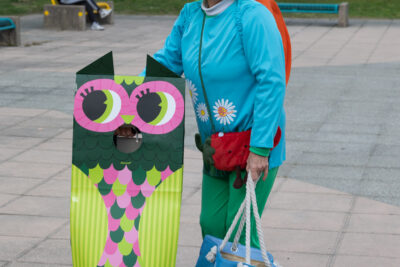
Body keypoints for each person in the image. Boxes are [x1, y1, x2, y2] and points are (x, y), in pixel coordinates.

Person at [144, 0, 286, 249]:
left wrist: (260, 148)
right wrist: (122, 92)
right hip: (216, 148)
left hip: (251, 144)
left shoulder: (252, 16)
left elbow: (272, 81)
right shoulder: (190, 15)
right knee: (210, 226)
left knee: (239, 235)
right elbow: (165, 65)